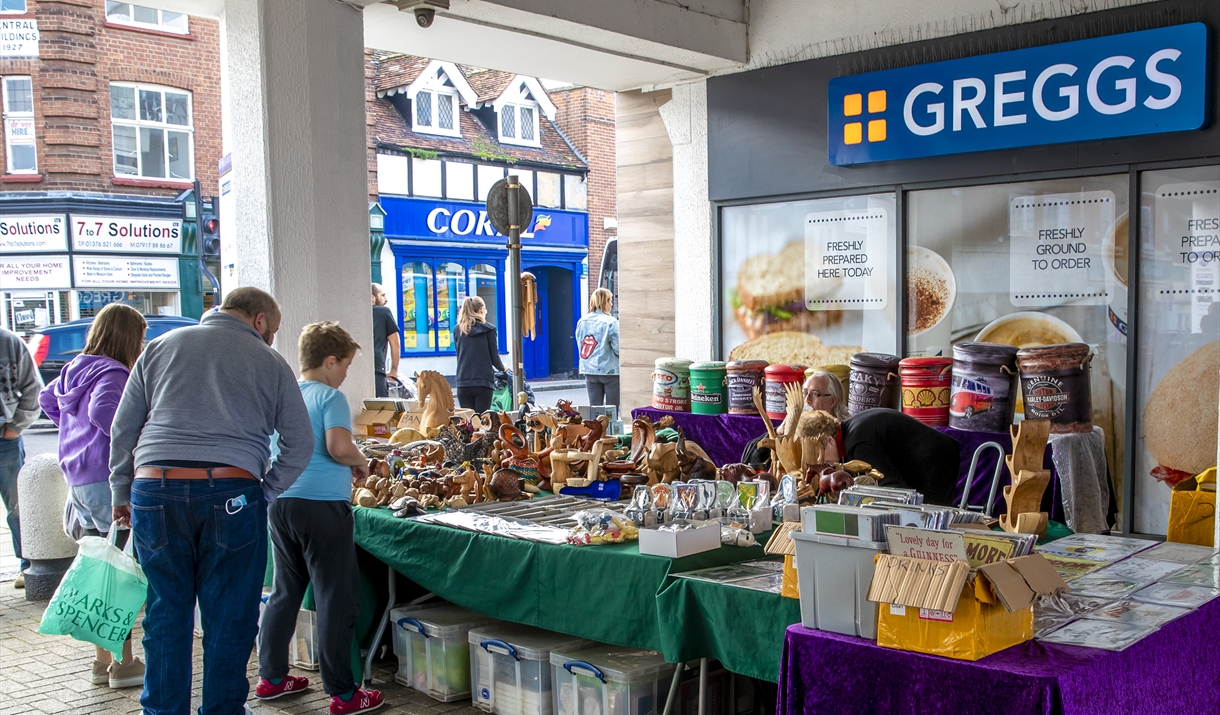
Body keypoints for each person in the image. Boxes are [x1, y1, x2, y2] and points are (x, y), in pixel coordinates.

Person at [109, 286, 314, 715]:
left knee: (166, 613)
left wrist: (120, 489)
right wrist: (264, 491)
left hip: (154, 488)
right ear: (259, 321)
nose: (272, 339)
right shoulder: (270, 361)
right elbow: (299, 443)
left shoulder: (160, 348)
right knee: (230, 617)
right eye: (272, 330)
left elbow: (122, 429)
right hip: (231, 491)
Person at [256, 321, 383, 714]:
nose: (346, 374)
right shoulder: (330, 397)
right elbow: (339, 446)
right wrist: (363, 462)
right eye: (345, 365)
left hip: (282, 503)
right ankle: (344, 693)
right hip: (322, 506)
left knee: (285, 591)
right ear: (330, 361)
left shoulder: (286, 393)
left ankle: (272, 677)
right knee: (335, 597)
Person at [39, 303, 148, 688]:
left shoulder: (75, 368)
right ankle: (123, 662)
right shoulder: (114, 372)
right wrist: (132, 446)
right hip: (106, 480)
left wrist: (75, 431)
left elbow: (47, 401)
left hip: (78, 479)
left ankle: (103, 662)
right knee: (120, 574)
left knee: (102, 570)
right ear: (128, 338)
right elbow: (107, 413)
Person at [0, 325, 42, 590]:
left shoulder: (9, 342)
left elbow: (33, 387)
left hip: (4, 438)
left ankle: (27, 565)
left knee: (17, 506)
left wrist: (15, 427)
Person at [453, 296, 505, 413]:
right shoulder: (489, 330)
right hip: (483, 382)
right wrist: (504, 368)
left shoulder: (457, 330)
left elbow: (460, 354)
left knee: (467, 424)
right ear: (481, 310)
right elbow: (494, 358)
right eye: (485, 310)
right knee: (482, 422)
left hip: (463, 382)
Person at [575, 288, 620, 408]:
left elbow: (580, 343)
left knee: (595, 410)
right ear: (603, 302)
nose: (611, 304)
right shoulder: (611, 322)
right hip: (610, 371)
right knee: (612, 411)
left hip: (589, 371)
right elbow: (618, 348)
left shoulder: (582, 321)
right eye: (609, 300)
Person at [371, 284, 399, 398]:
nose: (386, 299)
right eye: (382, 295)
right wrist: (393, 370)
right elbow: (395, 343)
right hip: (378, 369)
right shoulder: (383, 312)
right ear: (372, 297)